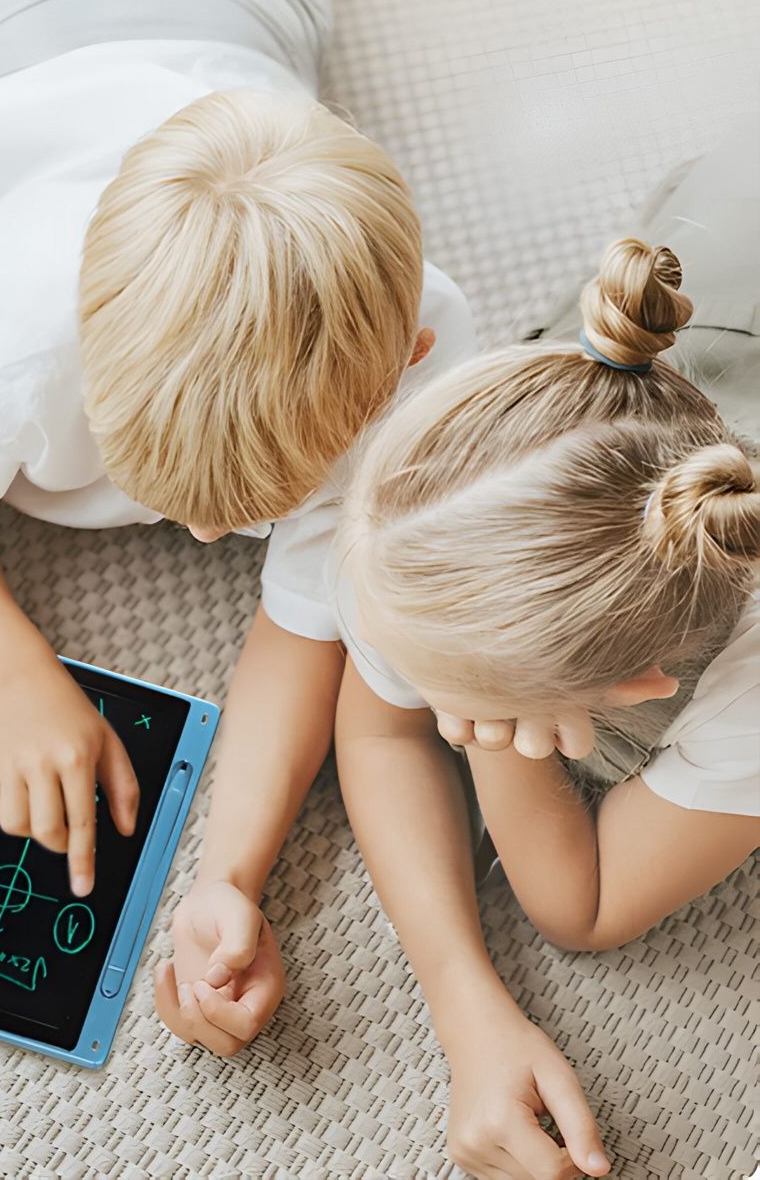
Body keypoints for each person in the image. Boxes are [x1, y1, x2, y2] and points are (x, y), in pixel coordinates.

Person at [0, 0, 475, 895]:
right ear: (87, 366)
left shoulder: (412, 378)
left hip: (239, 31)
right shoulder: (2, 348)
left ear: (406, 361)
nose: (210, 542)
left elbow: (307, 618)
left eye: (247, 511)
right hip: (32, 28)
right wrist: (14, 670)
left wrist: (231, 875)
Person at [161, 237, 758, 1180]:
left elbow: (581, 907)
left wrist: (495, 742)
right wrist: (465, 1004)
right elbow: (378, 729)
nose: (391, 681)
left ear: (631, 690)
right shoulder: (451, 488)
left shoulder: (746, 701)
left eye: (457, 707)